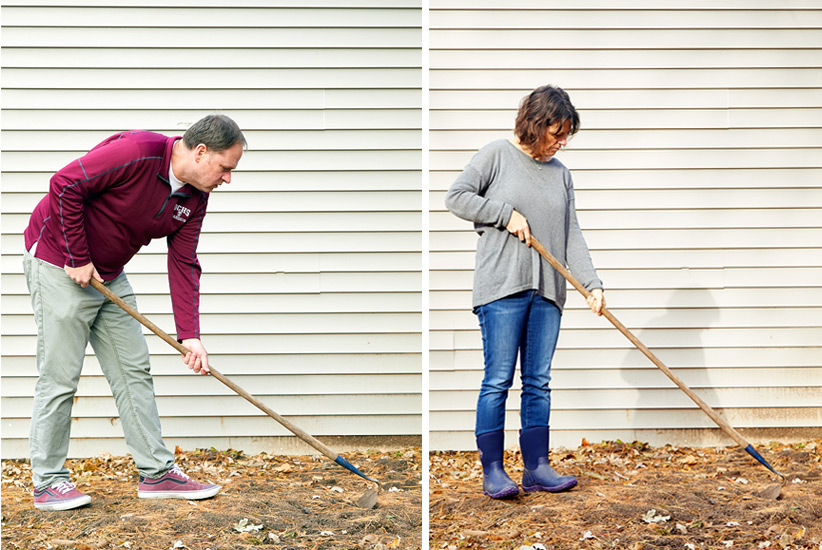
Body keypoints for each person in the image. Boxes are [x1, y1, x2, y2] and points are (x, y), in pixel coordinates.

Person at [22, 115, 247, 511]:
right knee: (60, 375)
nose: (227, 179)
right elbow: (65, 184)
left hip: (108, 276)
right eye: (225, 167)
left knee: (133, 369)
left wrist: (189, 334)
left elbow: (184, 261)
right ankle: (48, 482)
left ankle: (157, 474)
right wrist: (76, 256)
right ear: (200, 152)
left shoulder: (195, 196)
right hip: (59, 264)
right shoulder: (138, 153)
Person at [445, 85, 605, 499]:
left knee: (538, 381)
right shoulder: (496, 155)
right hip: (502, 288)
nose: (563, 142)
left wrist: (592, 285)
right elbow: (457, 197)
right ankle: (494, 471)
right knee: (498, 380)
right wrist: (504, 214)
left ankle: (537, 466)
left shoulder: (560, 174)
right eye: (557, 131)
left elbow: (572, 236)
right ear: (535, 124)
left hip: (548, 292)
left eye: (568, 134)